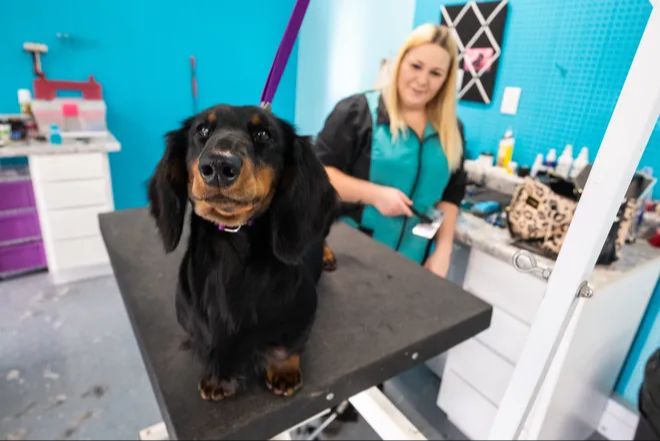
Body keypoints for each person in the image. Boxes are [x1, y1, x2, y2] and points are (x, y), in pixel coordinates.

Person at [316, 23, 466, 278]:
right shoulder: (355, 112)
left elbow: (451, 196)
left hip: (414, 263)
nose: (422, 81)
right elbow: (319, 175)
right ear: (400, 62)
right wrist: (374, 194)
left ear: (447, 79)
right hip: (350, 257)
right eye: (416, 66)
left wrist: (443, 250)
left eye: (436, 73)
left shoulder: (452, 131)